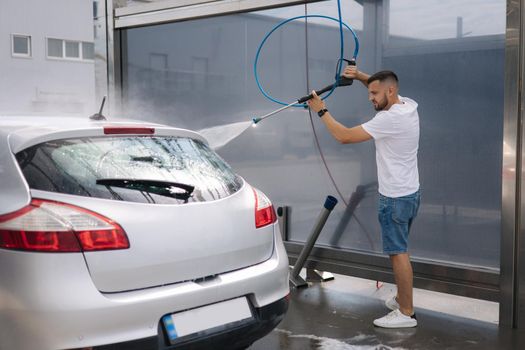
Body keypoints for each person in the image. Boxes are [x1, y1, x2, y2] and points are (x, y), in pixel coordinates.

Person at [306, 65, 420, 329]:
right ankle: (403, 299)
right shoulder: (408, 105)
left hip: (394, 198)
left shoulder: (389, 119)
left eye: (374, 94)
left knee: (398, 253)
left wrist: (320, 109)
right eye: (369, 92)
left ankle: (406, 313)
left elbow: (343, 136)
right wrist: (359, 76)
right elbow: (380, 84)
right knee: (401, 249)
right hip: (410, 193)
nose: (370, 98)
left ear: (390, 92)